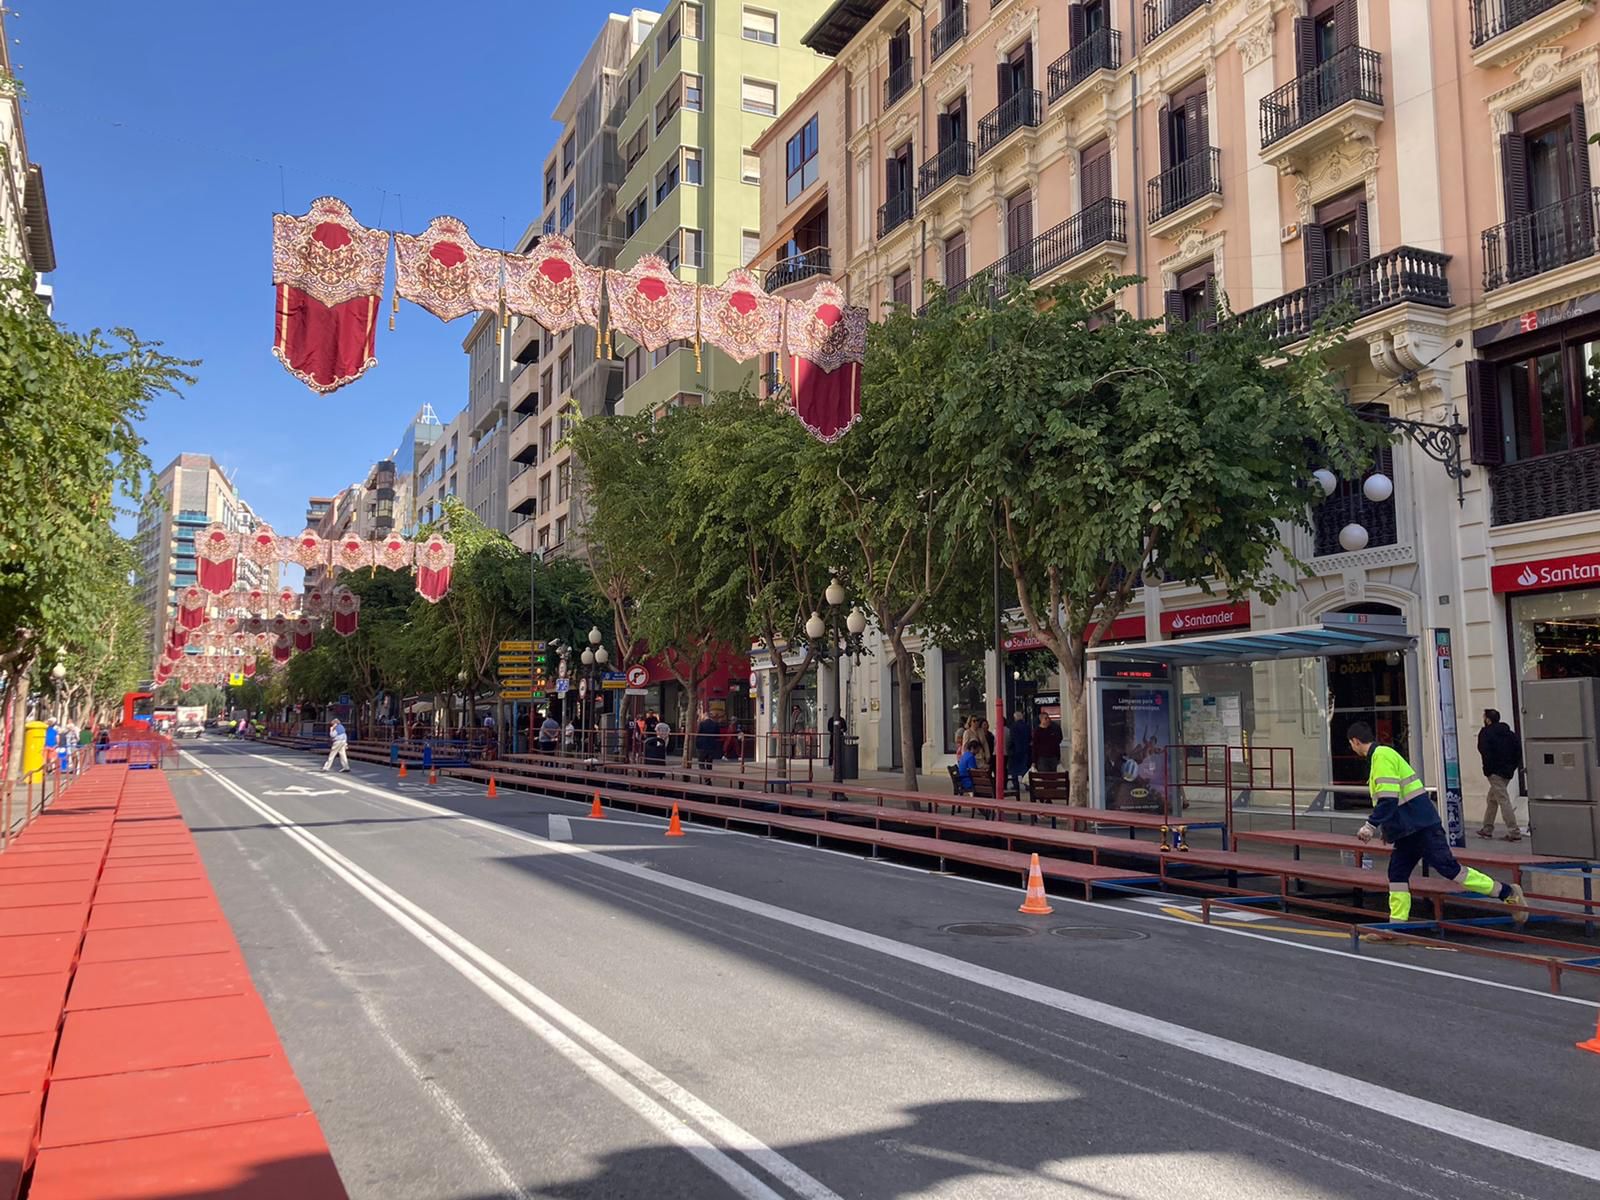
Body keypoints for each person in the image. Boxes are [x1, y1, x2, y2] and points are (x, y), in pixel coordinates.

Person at [1346, 722, 1524, 932]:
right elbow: (1394, 799)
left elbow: (1388, 799)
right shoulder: (1381, 756)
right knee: (1397, 875)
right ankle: (1394, 928)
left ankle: (1507, 893)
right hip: (1410, 830)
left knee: (1450, 870)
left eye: (1351, 744)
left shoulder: (1382, 757)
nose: (1352, 748)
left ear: (1355, 742)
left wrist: (1370, 826)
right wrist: (1389, 830)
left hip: (1421, 828)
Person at [1476, 708, 1523, 841]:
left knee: (1503, 799)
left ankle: (1514, 831)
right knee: (1492, 798)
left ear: (1488, 720)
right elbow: (1518, 751)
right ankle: (1487, 828)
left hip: (1494, 772)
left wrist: (1488, 770)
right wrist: (1512, 767)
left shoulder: (1486, 733)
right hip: (1507, 771)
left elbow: (1484, 752)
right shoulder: (1509, 734)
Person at [1006, 709, 1032, 788]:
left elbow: (1011, 739)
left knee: (1014, 770)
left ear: (1015, 718)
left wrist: (1009, 749)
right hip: (1025, 750)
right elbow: (1030, 738)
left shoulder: (1013, 727)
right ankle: (1027, 785)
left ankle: (1016, 785)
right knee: (1024, 768)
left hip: (1015, 751)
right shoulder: (1027, 726)